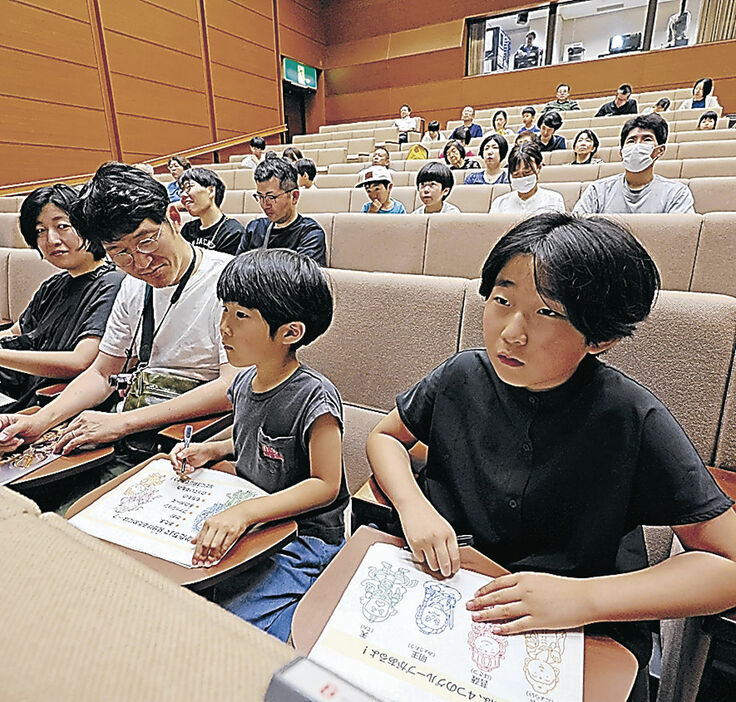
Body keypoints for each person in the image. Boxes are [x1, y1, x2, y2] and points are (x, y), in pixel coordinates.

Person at [366, 212, 736, 688]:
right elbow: (385, 438)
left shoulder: (629, 416)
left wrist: (585, 599)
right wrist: (413, 506)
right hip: (457, 592)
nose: (511, 332)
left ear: (601, 336)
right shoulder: (460, 376)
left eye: (547, 313)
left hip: (577, 629)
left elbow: (728, 565)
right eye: (501, 300)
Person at [0, 163, 237, 496]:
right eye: (119, 253)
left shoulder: (229, 281)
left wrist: (119, 423)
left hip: (188, 441)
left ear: (174, 217)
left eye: (146, 242)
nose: (140, 264)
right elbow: (101, 373)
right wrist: (40, 422)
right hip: (131, 431)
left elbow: (230, 387)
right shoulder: (131, 287)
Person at [171, 249, 348, 641]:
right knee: (180, 589)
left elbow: (325, 484)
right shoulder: (244, 382)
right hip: (257, 520)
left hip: (305, 537)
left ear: (290, 332)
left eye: (241, 316)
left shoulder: (315, 397)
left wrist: (246, 513)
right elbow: (253, 434)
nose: (223, 328)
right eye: (225, 311)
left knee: (231, 625)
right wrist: (213, 450)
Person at [0, 185, 123, 413]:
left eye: (62, 226)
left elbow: (81, 361)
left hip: (54, 405)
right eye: (40, 231)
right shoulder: (54, 284)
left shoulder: (112, 283)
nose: (51, 239)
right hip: (21, 390)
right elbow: (16, 332)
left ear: (86, 225)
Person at [573, 114, 694, 215]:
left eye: (647, 139)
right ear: (621, 152)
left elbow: (679, 237)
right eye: (631, 140)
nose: (637, 146)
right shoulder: (598, 190)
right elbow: (575, 233)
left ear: (660, 150)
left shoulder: (677, 193)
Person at [237, 158, 327, 264]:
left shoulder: (311, 234)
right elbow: (236, 272)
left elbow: (301, 278)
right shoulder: (254, 228)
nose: (265, 204)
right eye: (260, 196)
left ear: (294, 196)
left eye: (271, 197)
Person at [177, 167, 244, 256]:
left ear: (211, 191)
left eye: (189, 187)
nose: (182, 195)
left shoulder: (233, 232)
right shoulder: (187, 230)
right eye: (181, 190)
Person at [490, 142, 565, 215]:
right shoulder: (499, 204)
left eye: (527, 173)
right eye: (516, 175)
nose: (522, 178)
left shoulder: (554, 200)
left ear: (539, 168)